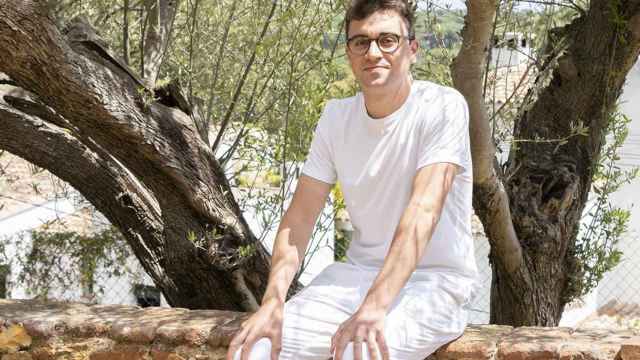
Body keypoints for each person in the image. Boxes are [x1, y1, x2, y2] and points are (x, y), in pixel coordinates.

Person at [226, 1, 478, 359]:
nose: (373, 52)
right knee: (254, 348)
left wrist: (374, 307)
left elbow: (424, 211)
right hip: (353, 278)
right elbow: (299, 219)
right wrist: (272, 303)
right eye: (360, 42)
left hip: (434, 283)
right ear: (349, 52)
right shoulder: (336, 118)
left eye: (387, 40)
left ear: (412, 49)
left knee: (358, 353)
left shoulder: (443, 106)